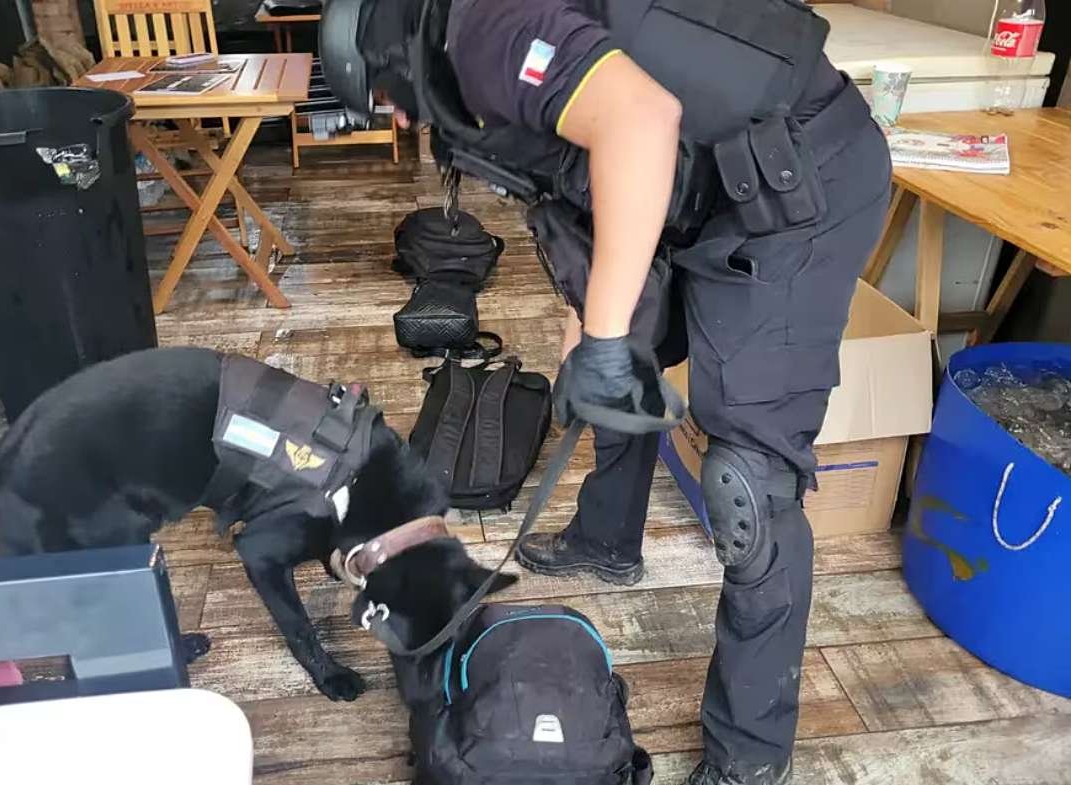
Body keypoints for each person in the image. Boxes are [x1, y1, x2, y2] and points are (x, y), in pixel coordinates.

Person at [319, 0, 892, 782]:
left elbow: (639, 119)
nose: (395, 117)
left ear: (389, 51)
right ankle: (607, 537)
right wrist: (590, 325)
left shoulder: (480, 28)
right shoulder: (473, 38)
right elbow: (580, 176)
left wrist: (606, 338)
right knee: (616, 363)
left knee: (750, 489)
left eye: (383, 98)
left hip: (798, 187)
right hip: (706, 181)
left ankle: (751, 758)